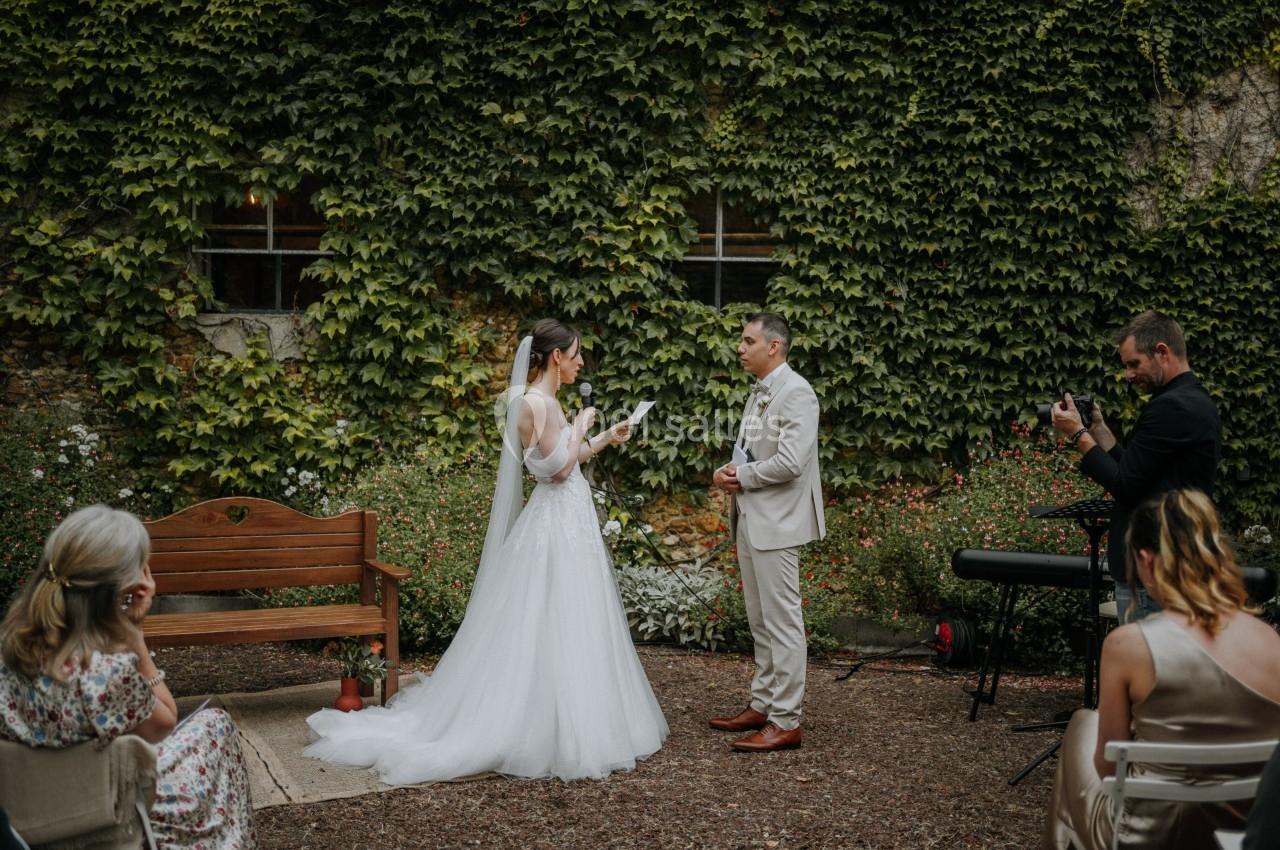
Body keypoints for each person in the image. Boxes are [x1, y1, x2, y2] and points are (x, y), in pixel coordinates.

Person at [305, 318, 668, 783]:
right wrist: (581, 425)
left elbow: (566, 459)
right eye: (576, 354)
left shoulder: (544, 401)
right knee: (548, 614)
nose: (581, 363)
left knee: (575, 616)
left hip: (568, 521)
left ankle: (572, 713)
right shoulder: (534, 404)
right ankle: (545, 726)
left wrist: (602, 438)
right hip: (555, 524)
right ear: (556, 356)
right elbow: (554, 471)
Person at [0, 505, 256, 850]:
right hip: (111, 810)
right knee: (216, 724)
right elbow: (165, 721)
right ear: (124, 587)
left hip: (32, 815)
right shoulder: (106, 677)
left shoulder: (9, 653)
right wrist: (135, 635)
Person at [1042, 489, 1280, 850]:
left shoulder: (1128, 645)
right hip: (1242, 832)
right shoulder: (1271, 641)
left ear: (1146, 560)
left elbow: (1108, 769)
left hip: (1150, 835)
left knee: (1082, 724)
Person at [1052, 309, 1221, 622]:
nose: (1129, 375)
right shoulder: (1192, 399)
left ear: (1161, 352)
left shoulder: (1170, 406)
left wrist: (1077, 434)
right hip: (1171, 563)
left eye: (1134, 363)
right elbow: (1137, 471)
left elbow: (1125, 485)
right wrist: (1098, 430)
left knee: (1149, 669)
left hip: (1153, 570)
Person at [710, 313, 824, 752]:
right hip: (751, 517)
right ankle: (762, 704)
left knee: (783, 623)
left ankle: (786, 721)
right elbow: (752, 451)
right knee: (760, 621)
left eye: (747, 340)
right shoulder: (759, 393)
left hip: (778, 522)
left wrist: (743, 476)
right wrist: (730, 471)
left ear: (773, 346)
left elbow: (792, 462)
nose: (740, 348)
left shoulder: (797, 394)